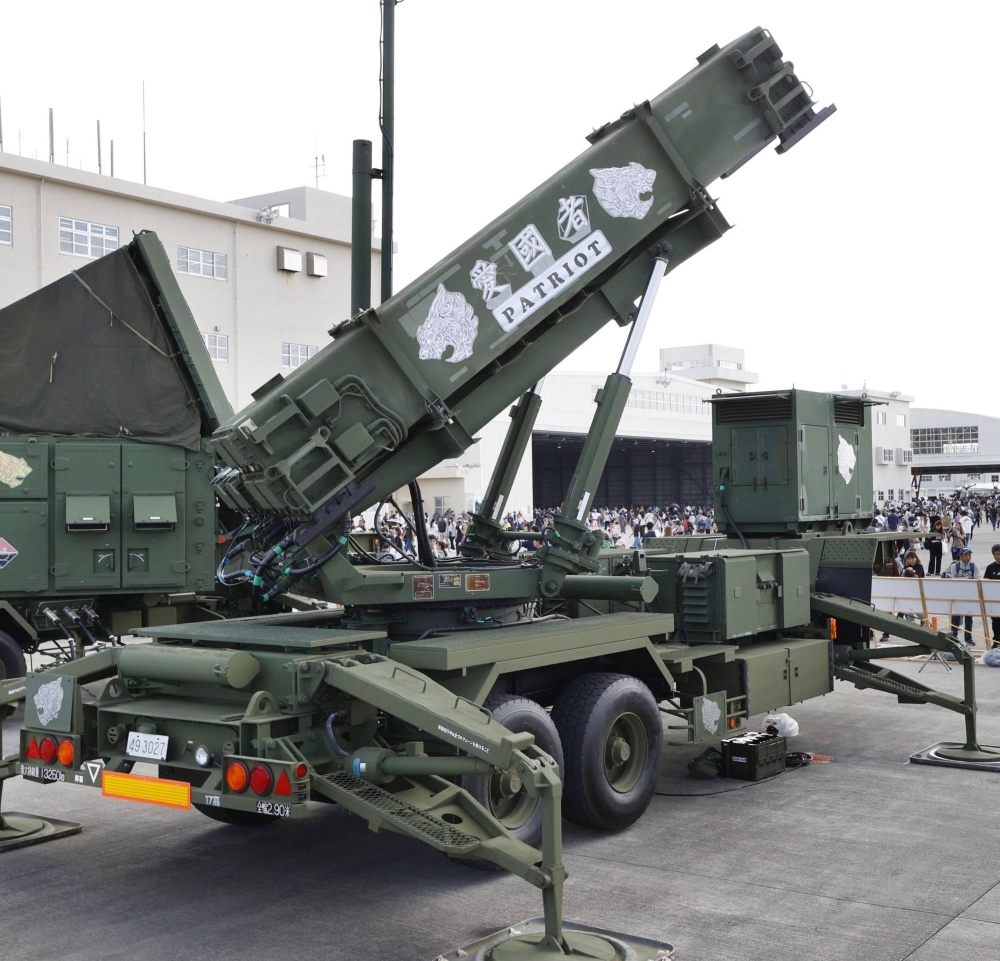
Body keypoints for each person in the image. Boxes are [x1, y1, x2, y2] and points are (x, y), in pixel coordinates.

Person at [944, 546, 979, 646]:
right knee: (955, 617)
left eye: (969, 555)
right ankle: (953, 637)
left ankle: (968, 638)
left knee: (969, 617)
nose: (968, 557)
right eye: (966, 555)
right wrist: (968, 578)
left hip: (969, 595)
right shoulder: (955, 566)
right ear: (960, 556)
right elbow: (953, 579)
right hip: (957, 595)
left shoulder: (974, 566)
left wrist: (960, 577)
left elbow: (977, 579)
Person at [984, 544, 1000, 649]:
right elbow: (985, 582)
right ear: (993, 555)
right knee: (996, 623)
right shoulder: (990, 568)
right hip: (994, 600)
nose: (999, 556)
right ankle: (997, 642)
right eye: (997, 554)